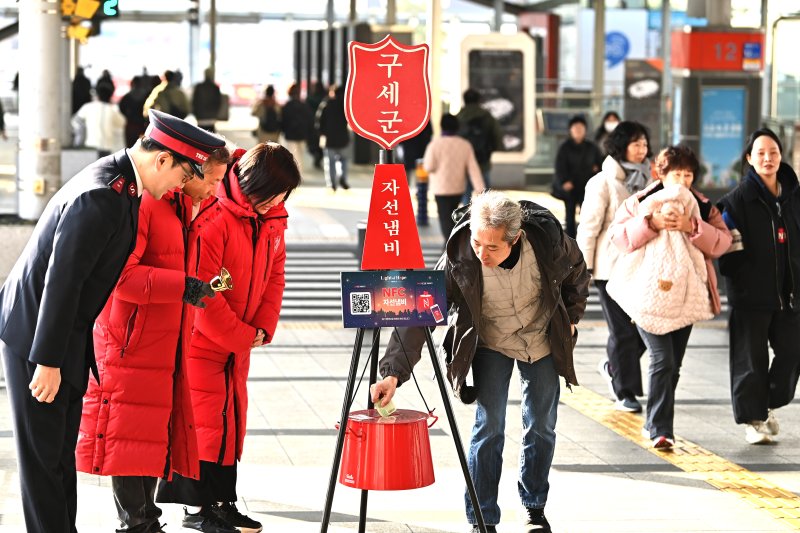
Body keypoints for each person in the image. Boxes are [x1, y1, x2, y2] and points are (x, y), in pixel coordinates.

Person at [0, 109, 226, 533]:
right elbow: (62, 281)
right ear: (162, 161)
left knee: (59, 461)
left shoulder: (121, 187)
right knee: (43, 466)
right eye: (182, 176)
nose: (181, 186)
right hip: (37, 337)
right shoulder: (102, 194)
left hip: (62, 334)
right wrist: (47, 361)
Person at [371, 191, 590, 533]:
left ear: (515, 238)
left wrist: (573, 316)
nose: (481, 254)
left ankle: (534, 507)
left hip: (543, 338)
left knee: (542, 424)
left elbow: (577, 270)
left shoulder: (548, 242)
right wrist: (393, 375)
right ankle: (482, 516)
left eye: (492, 247)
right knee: (490, 427)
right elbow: (420, 315)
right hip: (491, 341)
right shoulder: (460, 255)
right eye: (477, 243)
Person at [75, 140, 230, 533]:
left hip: (160, 338)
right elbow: (122, 277)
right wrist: (187, 287)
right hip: (130, 340)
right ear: (188, 172)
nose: (215, 190)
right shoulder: (150, 204)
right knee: (128, 438)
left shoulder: (185, 208)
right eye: (211, 181)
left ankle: (146, 521)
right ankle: (138, 524)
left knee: (150, 435)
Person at [156, 142, 302, 533]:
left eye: (282, 196)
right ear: (254, 183)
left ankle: (222, 502)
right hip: (202, 343)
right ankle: (197, 508)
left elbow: (275, 276)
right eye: (273, 194)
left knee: (228, 422)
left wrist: (261, 329)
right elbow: (201, 292)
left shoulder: (270, 219)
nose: (277, 202)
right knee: (204, 423)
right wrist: (241, 335)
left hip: (238, 343)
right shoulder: (215, 216)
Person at [607, 145, 732, 449]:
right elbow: (618, 237)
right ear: (661, 174)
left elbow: (722, 242)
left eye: (688, 174)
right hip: (647, 294)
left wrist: (693, 227)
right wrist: (650, 223)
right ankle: (661, 429)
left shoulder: (702, 207)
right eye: (677, 173)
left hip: (686, 297)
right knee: (662, 359)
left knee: (672, 365)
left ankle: (656, 420)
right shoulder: (640, 202)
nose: (683, 180)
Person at [717, 128, 800, 445]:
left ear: (781, 156)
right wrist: (744, 278)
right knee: (750, 361)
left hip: (790, 296)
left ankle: (766, 404)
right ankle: (754, 419)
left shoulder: (794, 197)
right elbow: (727, 252)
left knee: (793, 353)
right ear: (750, 159)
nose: (768, 158)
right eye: (761, 153)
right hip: (751, 296)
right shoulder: (736, 202)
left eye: (774, 152)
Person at [575, 121, 652, 413]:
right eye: (636, 143)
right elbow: (589, 227)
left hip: (643, 266)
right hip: (610, 268)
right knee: (622, 332)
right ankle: (625, 391)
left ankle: (612, 366)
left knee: (646, 330)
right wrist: (582, 267)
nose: (642, 149)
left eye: (644, 144)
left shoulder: (649, 180)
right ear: (621, 146)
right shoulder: (603, 182)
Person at [422, 113, 485, 241]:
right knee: (454, 216)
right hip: (457, 187)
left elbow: (428, 166)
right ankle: (452, 245)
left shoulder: (434, 145)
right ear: (457, 127)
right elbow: (473, 168)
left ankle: (449, 245)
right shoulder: (464, 144)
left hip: (440, 188)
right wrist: (480, 189)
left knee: (445, 218)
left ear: (441, 126)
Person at [552, 114, 603, 238]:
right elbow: (560, 166)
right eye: (575, 128)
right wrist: (564, 182)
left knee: (587, 214)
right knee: (569, 215)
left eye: (581, 128)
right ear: (570, 130)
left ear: (585, 130)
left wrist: (596, 170)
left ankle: (585, 237)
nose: (578, 130)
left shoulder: (592, 147)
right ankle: (569, 240)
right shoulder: (565, 147)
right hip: (571, 187)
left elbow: (600, 164)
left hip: (587, 187)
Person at [456, 88, 503, 196]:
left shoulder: (459, 116)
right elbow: (496, 134)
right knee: (485, 193)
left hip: (463, 161)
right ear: (479, 100)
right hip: (483, 160)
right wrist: (493, 148)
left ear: (465, 100)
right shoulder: (487, 116)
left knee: (465, 192)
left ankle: (466, 210)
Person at [72, 80, 126, 156]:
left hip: (90, 148)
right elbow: (122, 123)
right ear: (110, 96)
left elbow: (76, 121)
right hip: (108, 149)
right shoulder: (113, 110)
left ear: (97, 95)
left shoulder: (88, 107)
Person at [316, 85, 350, 191]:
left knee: (330, 162)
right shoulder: (344, 106)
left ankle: (332, 183)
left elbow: (318, 123)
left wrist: (321, 134)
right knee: (343, 160)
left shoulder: (325, 105)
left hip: (329, 139)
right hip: (343, 139)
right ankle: (343, 178)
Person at [280, 82, 313, 172]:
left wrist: (284, 130)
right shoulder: (304, 106)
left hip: (290, 134)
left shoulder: (287, 106)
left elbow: (283, 121)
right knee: (300, 155)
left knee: (293, 155)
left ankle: (295, 174)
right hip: (302, 134)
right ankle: (299, 173)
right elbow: (310, 120)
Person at [119, 75, 152, 147]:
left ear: (132, 83)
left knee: (130, 147)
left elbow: (121, 107)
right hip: (141, 125)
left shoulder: (127, 96)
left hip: (130, 124)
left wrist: (128, 115)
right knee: (141, 147)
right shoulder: (146, 96)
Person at [192, 67, 223, 133]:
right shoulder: (215, 88)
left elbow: (194, 102)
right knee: (212, 139)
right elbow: (218, 103)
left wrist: (196, 114)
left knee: (200, 138)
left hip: (200, 118)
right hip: (211, 118)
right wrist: (215, 114)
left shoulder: (198, 87)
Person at [306, 81, 327, 169]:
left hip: (312, 124)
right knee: (321, 143)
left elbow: (306, 111)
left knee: (312, 142)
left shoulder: (309, 98)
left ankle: (316, 156)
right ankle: (318, 156)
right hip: (323, 125)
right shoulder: (325, 98)